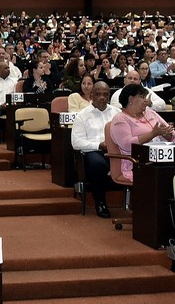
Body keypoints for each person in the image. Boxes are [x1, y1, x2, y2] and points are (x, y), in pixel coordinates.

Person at [71, 82, 120, 218]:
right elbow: (76, 142)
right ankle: (100, 202)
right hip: (93, 151)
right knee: (97, 164)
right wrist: (99, 145)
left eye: (105, 94)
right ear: (92, 95)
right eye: (98, 94)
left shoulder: (116, 113)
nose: (102, 98)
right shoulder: (82, 115)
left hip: (116, 151)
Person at [110, 84, 175, 183]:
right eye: (142, 97)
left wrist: (167, 135)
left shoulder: (150, 113)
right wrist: (153, 134)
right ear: (131, 99)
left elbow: (171, 132)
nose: (146, 100)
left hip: (162, 158)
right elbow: (127, 145)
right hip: (138, 163)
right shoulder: (120, 119)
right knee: (167, 172)